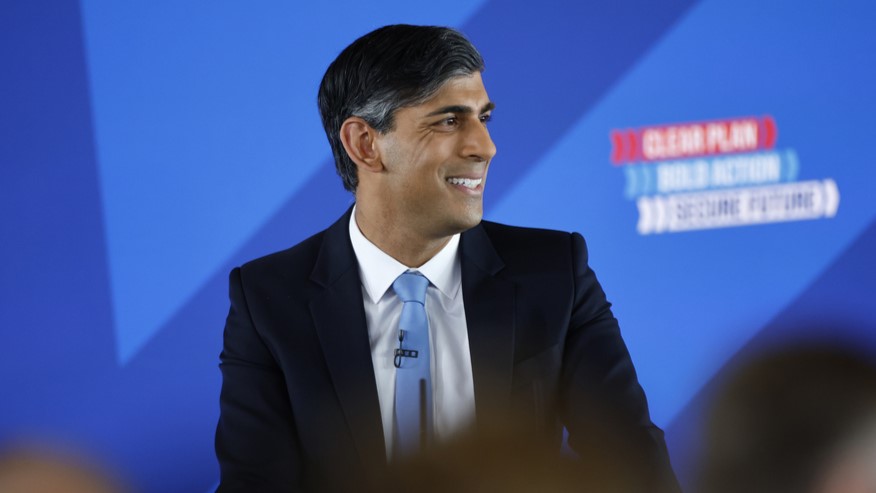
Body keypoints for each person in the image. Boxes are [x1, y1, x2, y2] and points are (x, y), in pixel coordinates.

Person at [215, 24, 677, 492]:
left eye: (483, 118)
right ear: (364, 144)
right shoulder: (269, 300)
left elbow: (632, 462)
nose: (485, 146)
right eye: (449, 120)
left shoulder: (556, 272)